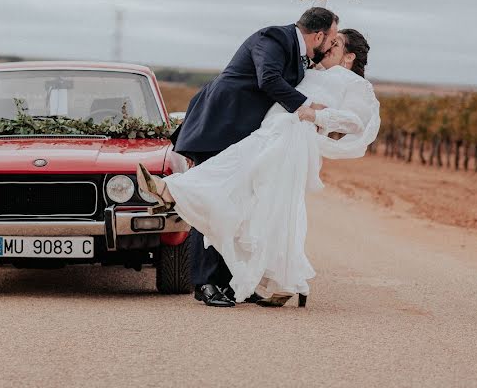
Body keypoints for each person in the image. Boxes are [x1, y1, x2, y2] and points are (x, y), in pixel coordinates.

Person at [138, 25, 379, 306]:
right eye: (327, 40)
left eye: (335, 44)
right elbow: (309, 33)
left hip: (289, 143)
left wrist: (315, 116)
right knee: (255, 206)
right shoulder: (312, 70)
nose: (327, 46)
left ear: (348, 57)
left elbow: (355, 122)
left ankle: (171, 190)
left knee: (254, 193)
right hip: (265, 132)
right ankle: (273, 282)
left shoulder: (356, 85)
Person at [163, 0, 340, 307]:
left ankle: (230, 282)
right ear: (317, 36)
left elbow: (315, 31)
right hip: (218, 127)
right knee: (213, 198)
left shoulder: (298, 48)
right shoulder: (272, 38)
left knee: (240, 205)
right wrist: (306, 109)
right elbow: (268, 79)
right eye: (330, 40)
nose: (329, 47)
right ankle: (205, 284)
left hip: (242, 137)